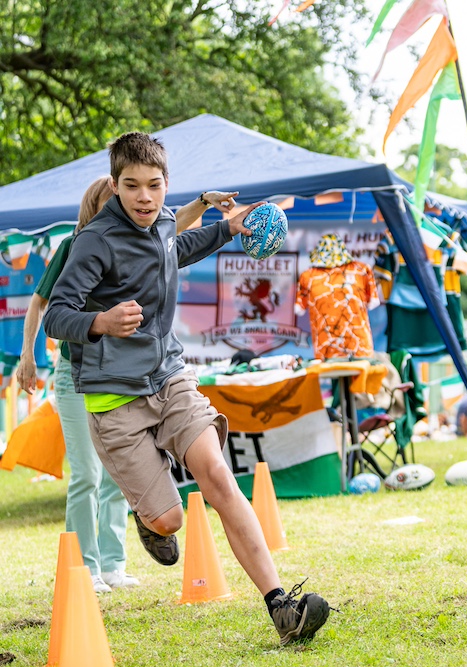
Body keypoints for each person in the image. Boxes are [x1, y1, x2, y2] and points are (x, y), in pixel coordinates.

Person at [42, 132, 330, 644]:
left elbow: (181, 247)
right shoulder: (94, 242)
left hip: (169, 378)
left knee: (217, 476)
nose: (145, 198)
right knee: (171, 519)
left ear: (166, 183)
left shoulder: (165, 221)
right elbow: (56, 315)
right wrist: (101, 321)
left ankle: (280, 606)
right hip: (114, 399)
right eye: (132, 186)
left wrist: (226, 226)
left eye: (154, 186)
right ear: (115, 185)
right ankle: (151, 520)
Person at [16, 177, 238, 594]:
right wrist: (28, 355)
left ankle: (114, 563)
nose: (133, 203)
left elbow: (175, 229)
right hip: (78, 375)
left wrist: (205, 203)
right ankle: (86, 567)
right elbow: (43, 305)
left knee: (118, 478)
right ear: (99, 206)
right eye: (116, 198)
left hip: (128, 375)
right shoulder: (78, 244)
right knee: (86, 474)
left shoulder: (141, 235)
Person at [296, 233, 379, 361]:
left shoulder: (308, 276)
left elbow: (299, 308)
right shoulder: (361, 270)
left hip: (329, 347)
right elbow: (373, 302)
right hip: (355, 346)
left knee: (353, 377)